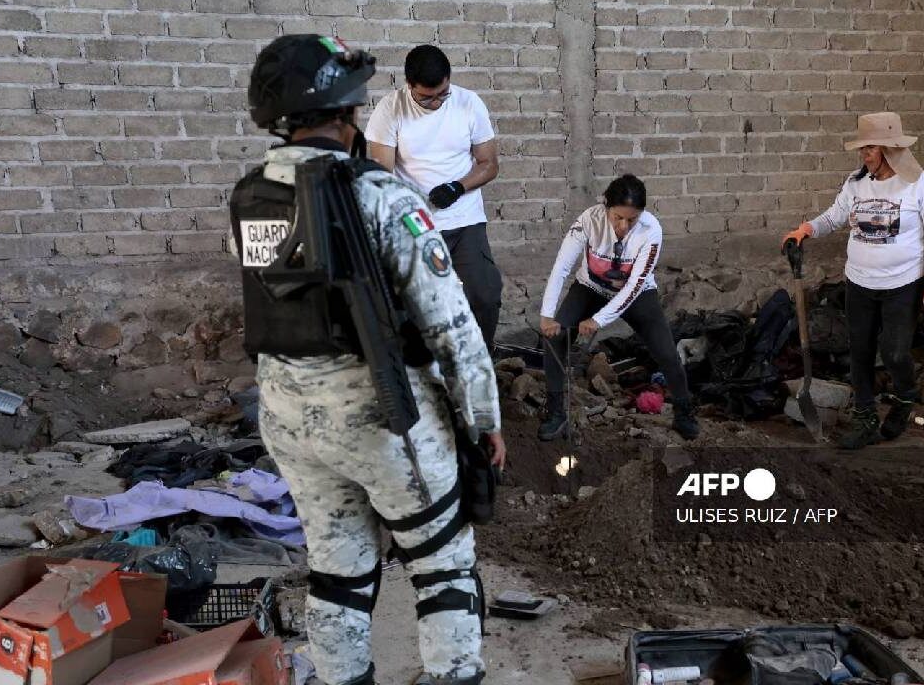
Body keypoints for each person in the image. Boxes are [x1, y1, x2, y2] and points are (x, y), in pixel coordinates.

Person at [233, 34, 504, 685]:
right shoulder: (383, 197)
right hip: (383, 418)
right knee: (443, 566)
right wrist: (483, 421)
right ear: (346, 113)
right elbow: (454, 330)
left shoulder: (249, 196)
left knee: (338, 574)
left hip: (290, 423)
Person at [782, 112, 924, 450]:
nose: (864, 154)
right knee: (859, 351)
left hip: (903, 284)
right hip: (859, 282)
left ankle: (905, 395)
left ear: (890, 149)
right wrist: (806, 229)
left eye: (870, 148)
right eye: (863, 148)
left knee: (895, 351)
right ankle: (865, 418)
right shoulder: (856, 182)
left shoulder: (920, 183)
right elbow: (835, 216)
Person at [538, 174, 700, 441]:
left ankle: (684, 412)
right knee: (554, 340)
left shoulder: (651, 230)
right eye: (618, 218)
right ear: (606, 208)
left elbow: (634, 286)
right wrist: (546, 315)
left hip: (636, 294)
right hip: (589, 287)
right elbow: (562, 268)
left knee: (668, 354)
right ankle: (556, 413)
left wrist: (599, 320)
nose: (624, 226)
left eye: (631, 219)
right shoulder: (588, 221)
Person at [366, 44, 503, 350]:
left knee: (485, 292)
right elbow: (381, 176)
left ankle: (480, 359)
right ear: (409, 85)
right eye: (425, 97)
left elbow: (489, 164)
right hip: (415, 223)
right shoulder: (390, 110)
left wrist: (458, 187)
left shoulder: (469, 103)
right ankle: (420, 373)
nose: (436, 103)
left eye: (443, 93)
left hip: (464, 219)